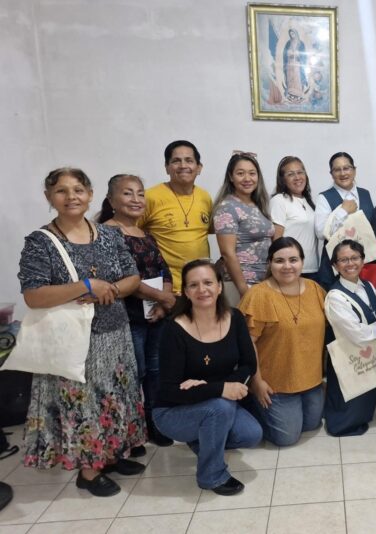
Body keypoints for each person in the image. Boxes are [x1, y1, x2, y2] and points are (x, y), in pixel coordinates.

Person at [18, 167, 145, 497]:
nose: (71, 196)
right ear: (49, 198)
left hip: (114, 332)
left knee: (117, 396)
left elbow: (132, 277)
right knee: (85, 405)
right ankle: (89, 472)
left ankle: (113, 454)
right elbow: (33, 294)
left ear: (90, 195)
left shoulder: (109, 235)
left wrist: (111, 290)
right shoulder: (40, 242)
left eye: (78, 189)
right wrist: (85, 286)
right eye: (61, 191)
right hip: (74, 339)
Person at [154, 259, 262, 496]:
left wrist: (216, 387)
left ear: (220, 286)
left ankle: (202, 440)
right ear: (185, 292)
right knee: (220, 408)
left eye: (208, 283)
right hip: (173, 411)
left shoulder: (234, 317)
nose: (202, 290)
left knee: (251, 434)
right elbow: (169, 391)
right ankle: (211, 476)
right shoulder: (174, 329)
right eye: (193, 285)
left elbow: (248, 364)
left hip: (212, 399)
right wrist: (220, 389)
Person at [97, 174, 176, 449]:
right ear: (111, 201)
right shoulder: (105, 234)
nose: (136, 199)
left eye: (140, 194)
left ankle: (155, 425)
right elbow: (122, 279)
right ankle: (131, 431)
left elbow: (163, 269)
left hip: (155, 316)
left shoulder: (145, 233)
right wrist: (163, 298)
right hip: (125, 318)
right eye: (128, 193)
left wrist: (162, 304)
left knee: (155, 371)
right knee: (132, 373)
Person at [239, 237, 326, 446]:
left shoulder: (315, 289)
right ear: (270, 263)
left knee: (312, 425)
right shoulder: (258, 296)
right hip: (274, 383)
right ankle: (248, 403)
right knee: (286, 438)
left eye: (293, 260)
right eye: (279, 261)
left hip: (311, 380)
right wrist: (257, 382)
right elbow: (246, 344)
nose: (287, 266)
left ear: (303, 262)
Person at [324, 240, 376, 436]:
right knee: (349, 391)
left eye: (355, 258)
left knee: (366, 388)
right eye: (344, 260)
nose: (350, 263)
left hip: (368, 352)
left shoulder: (368, 286)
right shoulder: (335, 296)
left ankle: (362, 418)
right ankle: (343, 424)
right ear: (335, 265)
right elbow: (356, 334)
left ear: (363, 260)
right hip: (349, 352)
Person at [140, 140, 212, 294]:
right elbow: (130, 232)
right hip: (166, 289)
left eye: (189, 160)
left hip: (201, 288)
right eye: (176, 161)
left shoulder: (205, 197)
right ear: (167, 168)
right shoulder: (151, 197)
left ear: (199, 168)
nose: (183, 166)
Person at [212, 152, 274, 304]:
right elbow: (227, 253)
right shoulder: (226, 207)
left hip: (264, 281)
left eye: (252, 173)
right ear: (231, 177)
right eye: (240, 173)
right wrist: (243, 290)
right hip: (240, 283)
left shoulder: (258, 205)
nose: (247, 179)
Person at [315, 152, 376, 288]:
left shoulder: (365, 194)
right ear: (331, 174)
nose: (343, 173)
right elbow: (320, 232)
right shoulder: (324, 197)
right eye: (337, 170)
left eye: (347, 168)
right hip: (334, 269)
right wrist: (343, 211)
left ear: (354, 170)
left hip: (364, 266)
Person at [270, 156, 320, 283]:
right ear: (283, 179)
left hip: (312, 269)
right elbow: (276, 240)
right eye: (291, 174)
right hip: (290, 270)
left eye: (300, 172)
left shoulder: (309, 202)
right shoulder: (279, 200)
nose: (297, 177)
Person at [283, 28, 308, 102]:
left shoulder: (301, 43)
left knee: (297, 78)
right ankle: (290, 93)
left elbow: (304, 55)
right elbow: (284, 53)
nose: (292, 35)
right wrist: (288, 54)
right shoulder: (288, 43)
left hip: (297, 64)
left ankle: (299, 94)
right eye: (290, 34)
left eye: (293, 33)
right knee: (290, 78)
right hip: (290, 64)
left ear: (296, 33)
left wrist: (298, 55)